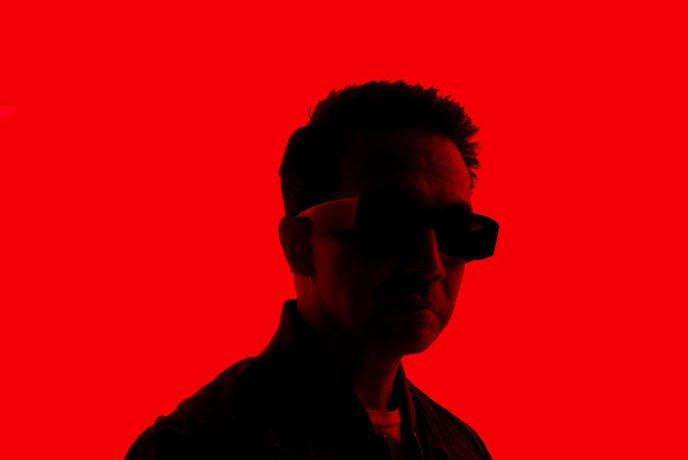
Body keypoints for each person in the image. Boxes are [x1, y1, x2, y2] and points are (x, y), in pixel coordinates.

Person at [125, 81, 498, 459]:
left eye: (457, 231)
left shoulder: (462, 449)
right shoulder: (192, 448)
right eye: (388, 223)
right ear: (299, 245)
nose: (430, 263)